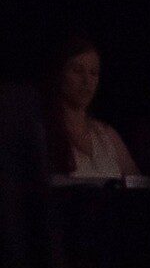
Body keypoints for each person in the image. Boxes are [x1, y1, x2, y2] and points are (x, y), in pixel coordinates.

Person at [43, 37, 139, 179]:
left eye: (93, 73)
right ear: (60, 73)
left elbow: (138, 184)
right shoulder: (44, 132)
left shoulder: (106, 136)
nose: (87, 81)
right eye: (77, 70)